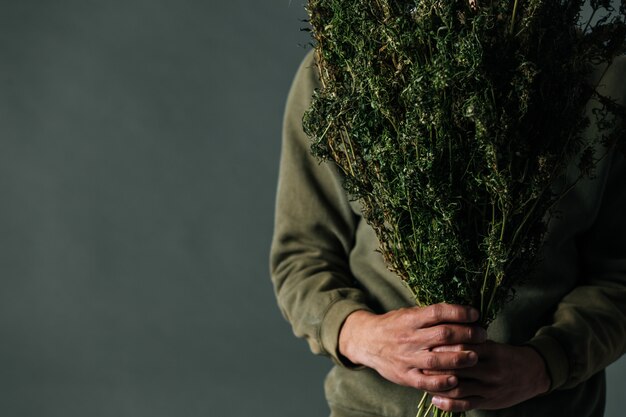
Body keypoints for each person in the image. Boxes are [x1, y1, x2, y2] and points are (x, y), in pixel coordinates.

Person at [270, 50, 626, 417]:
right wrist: (359, 335)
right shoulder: (341, 64)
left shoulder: (605, 82)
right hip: (376, 409)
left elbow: (618, 275)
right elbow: (302, 255)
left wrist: (545, 363)